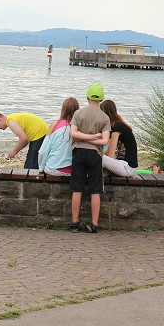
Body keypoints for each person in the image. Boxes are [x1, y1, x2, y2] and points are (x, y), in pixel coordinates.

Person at [69, 84, 110, 232]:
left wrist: (84, 139)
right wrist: (93, 137)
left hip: (79, 152)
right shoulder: (105, 118)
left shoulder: (78, 114)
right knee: (95, 190)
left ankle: (74, 223)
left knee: (77, 189)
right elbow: (104, 141)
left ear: (87, 97)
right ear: (101, 99)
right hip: (95, 155)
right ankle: (94, 224)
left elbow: (73, 134)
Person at [99, 99, 163, 178]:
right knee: (96, 156)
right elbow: (106, 152)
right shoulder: (118, 126)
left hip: (126, 167)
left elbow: (110, 156)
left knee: (97, 158)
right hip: (126, 166)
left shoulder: (117, 128)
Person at [38, 97, 79, 176]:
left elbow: (43, 151)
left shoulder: (55, 125)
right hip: (73, 170)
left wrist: (41, 168)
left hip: (53, 169)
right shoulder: (78, 127)